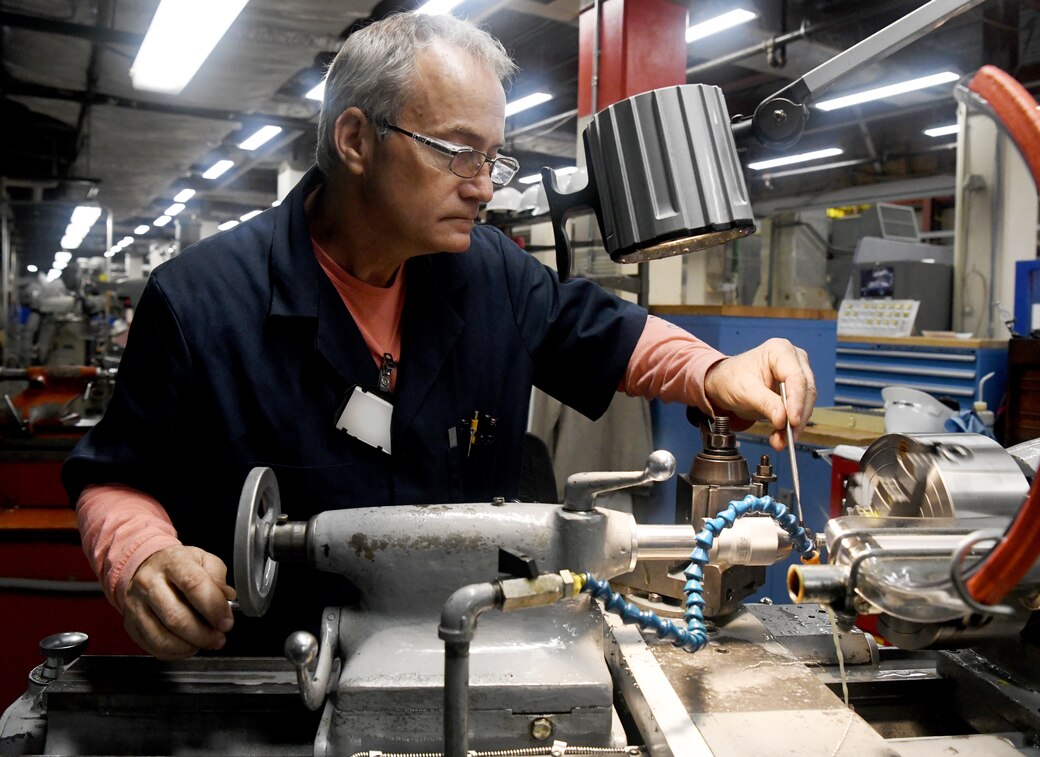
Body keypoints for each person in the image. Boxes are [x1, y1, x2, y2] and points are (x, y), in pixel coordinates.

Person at [63, 12, 816, 661]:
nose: (485, 185)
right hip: (269, 681)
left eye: (494, 157)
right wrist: (143, 559)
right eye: (460, 152)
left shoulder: (486, 271)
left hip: (459, 657)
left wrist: (717, 371)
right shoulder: (200, 300)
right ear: (356, 138)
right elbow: (116, 476)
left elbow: (608, 335)